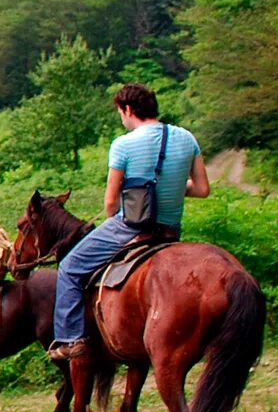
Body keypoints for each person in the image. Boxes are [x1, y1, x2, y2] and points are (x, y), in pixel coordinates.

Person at [47, 83, 210, 361]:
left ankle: (72, 340)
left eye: (121, 113)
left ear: (128, 109)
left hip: (131, 226)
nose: (122, 119)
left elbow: (110, 203)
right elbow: (202, 189)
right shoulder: (187, 138)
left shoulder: (123, 144)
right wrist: (170, 187)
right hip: (171, 230)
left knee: (70, 268)